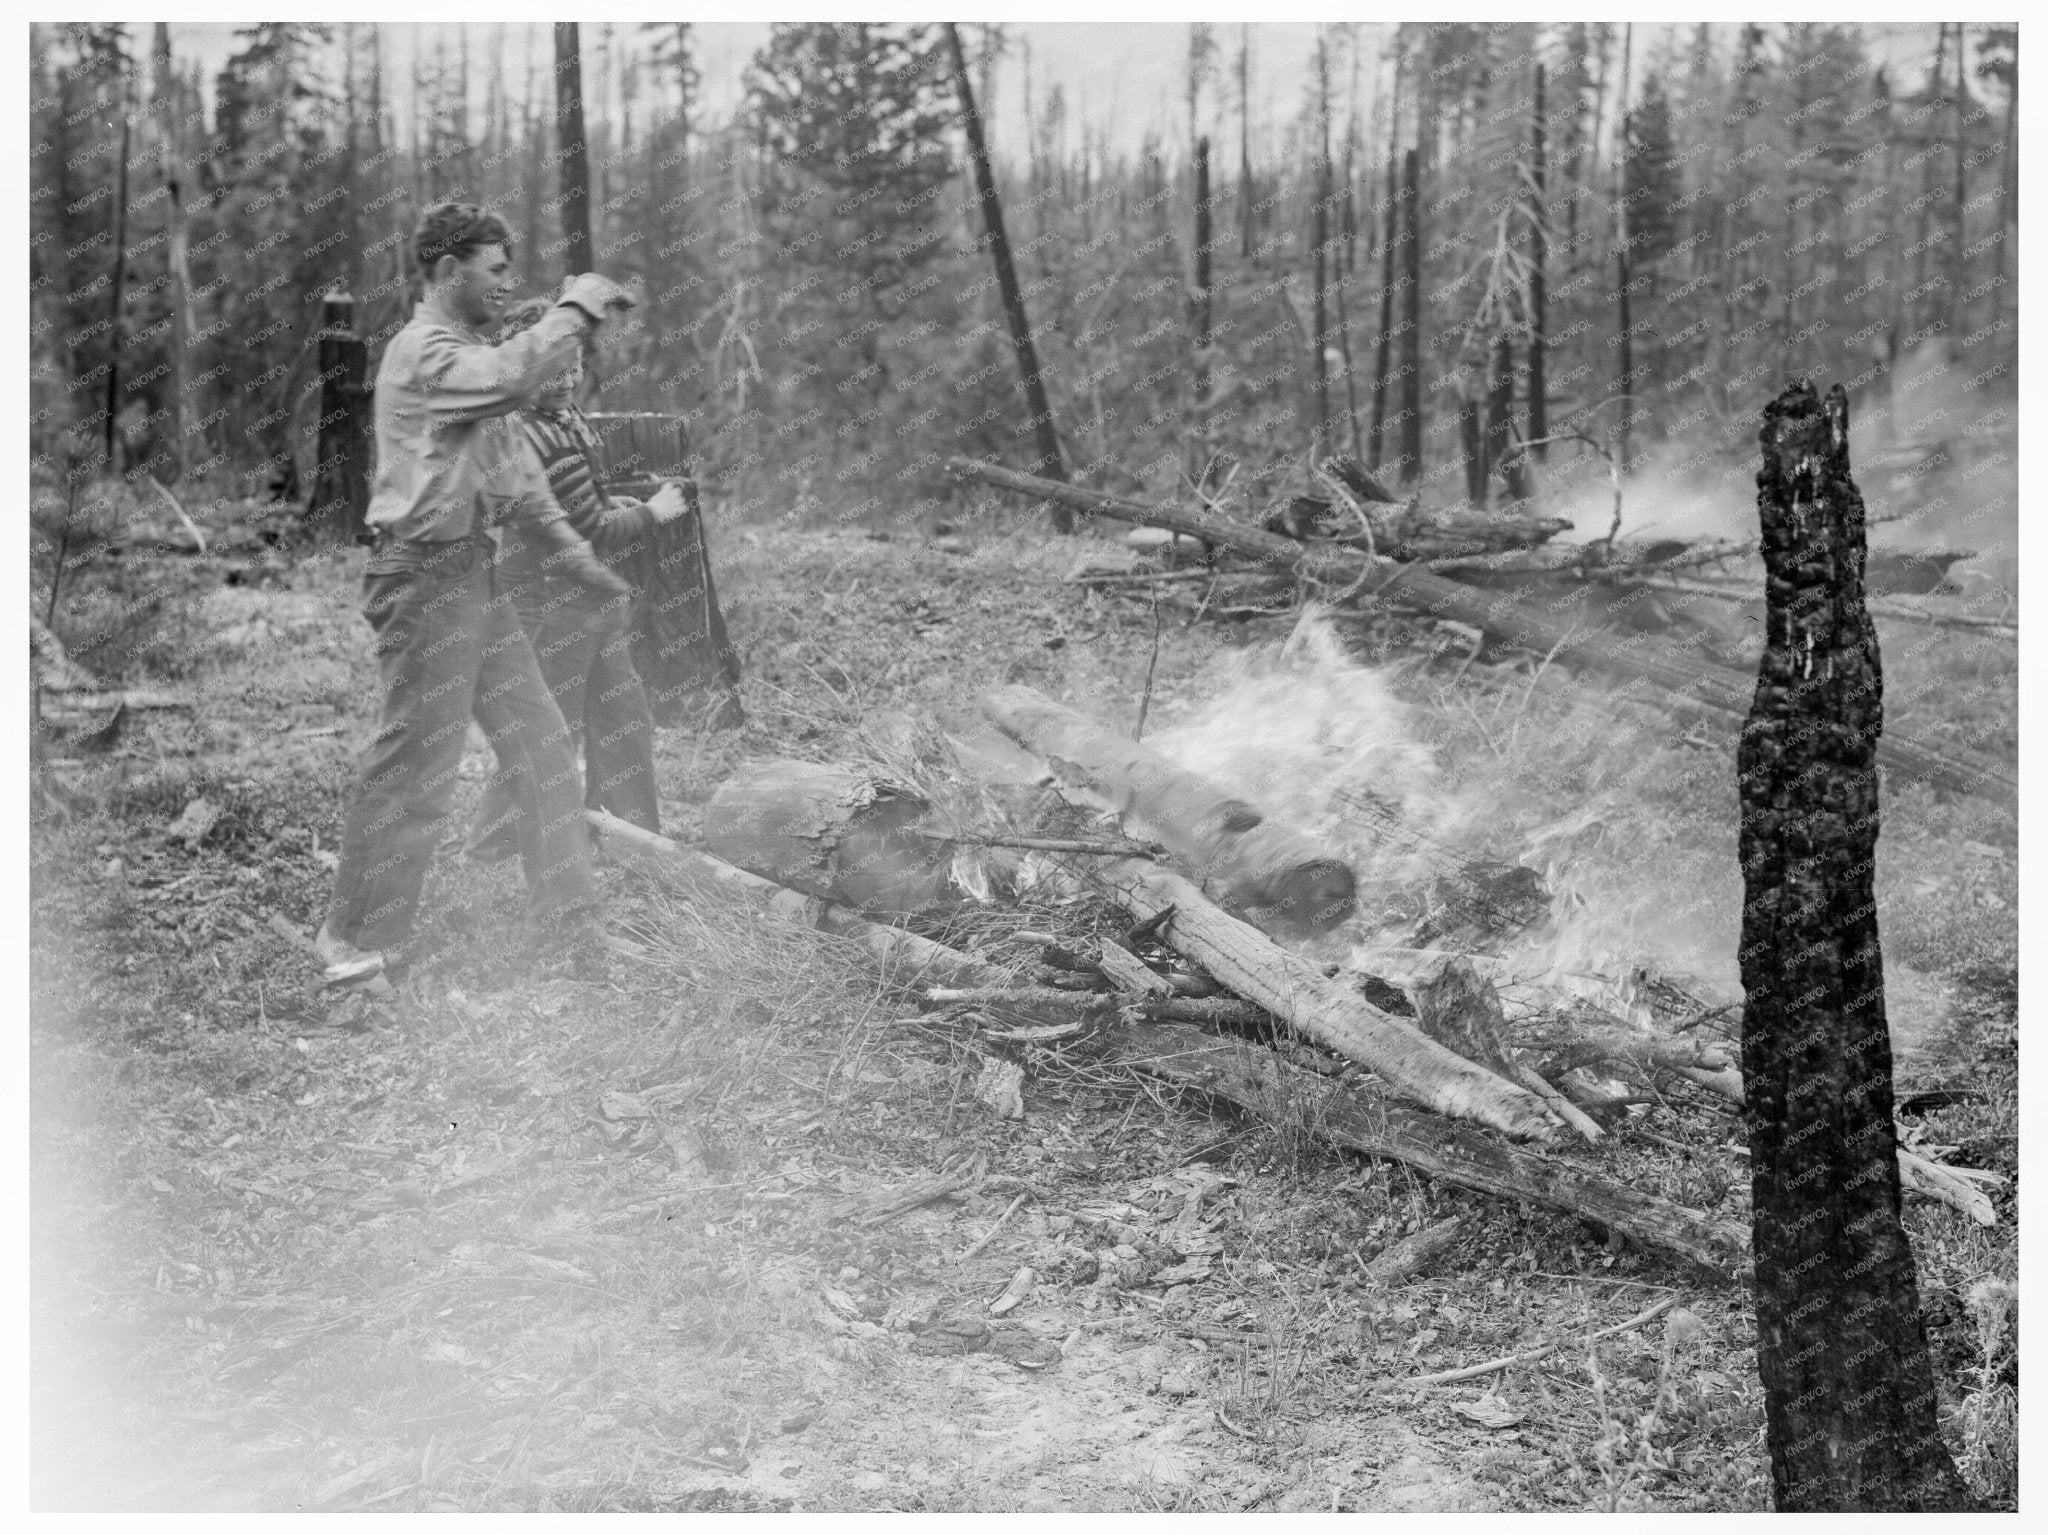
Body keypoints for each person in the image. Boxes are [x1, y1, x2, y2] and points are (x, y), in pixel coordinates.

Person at [314, 203, 637, 984]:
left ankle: (568, 920)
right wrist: (575, 307)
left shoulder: (467, 354)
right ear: (448, 269)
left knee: (543, 738)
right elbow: (511, 377)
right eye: (494, 269)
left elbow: (518, 482)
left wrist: (581, 558)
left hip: (472, 576)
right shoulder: (426, 353)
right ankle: (354, 943)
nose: (505, 282)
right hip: (424, 578)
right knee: (417, 765)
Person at [465, 298, 691, 859]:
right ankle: (491, 849)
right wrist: (653, 511)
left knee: (624, 722)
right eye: (552, 370)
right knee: (547, 730)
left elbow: (580, 506)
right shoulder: (520, 431)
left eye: (575, 367)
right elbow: (590, 529)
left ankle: (631, 842)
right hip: (548, 604)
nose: (566, 380)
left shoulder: (565, 420)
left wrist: (610, 500)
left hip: (590, 602)